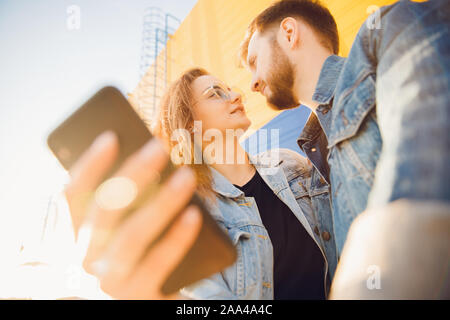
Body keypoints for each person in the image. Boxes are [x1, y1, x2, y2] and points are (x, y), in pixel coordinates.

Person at [238, 0, 450, 298]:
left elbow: (431, 128)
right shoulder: (311, 154)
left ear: (288, 32)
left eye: (254, 61)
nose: (253, 83)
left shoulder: (384, 31)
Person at [154, 68, 336, 299]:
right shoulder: (196, 218)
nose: (236, 97)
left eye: (230, 90)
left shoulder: (287, 163)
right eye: (215, 93)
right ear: (189, 123)